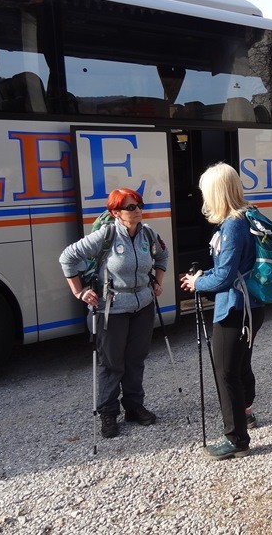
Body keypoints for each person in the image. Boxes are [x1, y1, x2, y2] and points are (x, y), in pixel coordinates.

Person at [59, 188, 168, 439]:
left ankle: (133, 406)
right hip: (112, 309)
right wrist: (80, 292)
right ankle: (108, 413)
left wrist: (157, 282)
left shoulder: (148, 235)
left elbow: (162, 256)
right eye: (131, 207)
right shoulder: (105, 235)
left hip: (142, 306)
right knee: (111, 364)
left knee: (136, 359)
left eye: (139, 205)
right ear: (116, 212)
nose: (138, 210)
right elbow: (68, 257)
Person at [180, 163, 265, 460]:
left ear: (216, 192)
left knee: (225, 372)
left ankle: (236, 439)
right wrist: (209, 273)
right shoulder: (247, 215)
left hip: (234, 310)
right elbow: (233, 267)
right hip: (251, 306)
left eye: (206, 192)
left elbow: (225, 278)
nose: (203, 198)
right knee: (240, 366)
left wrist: (197, 281)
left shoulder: (232, 225)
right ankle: (246, 416)